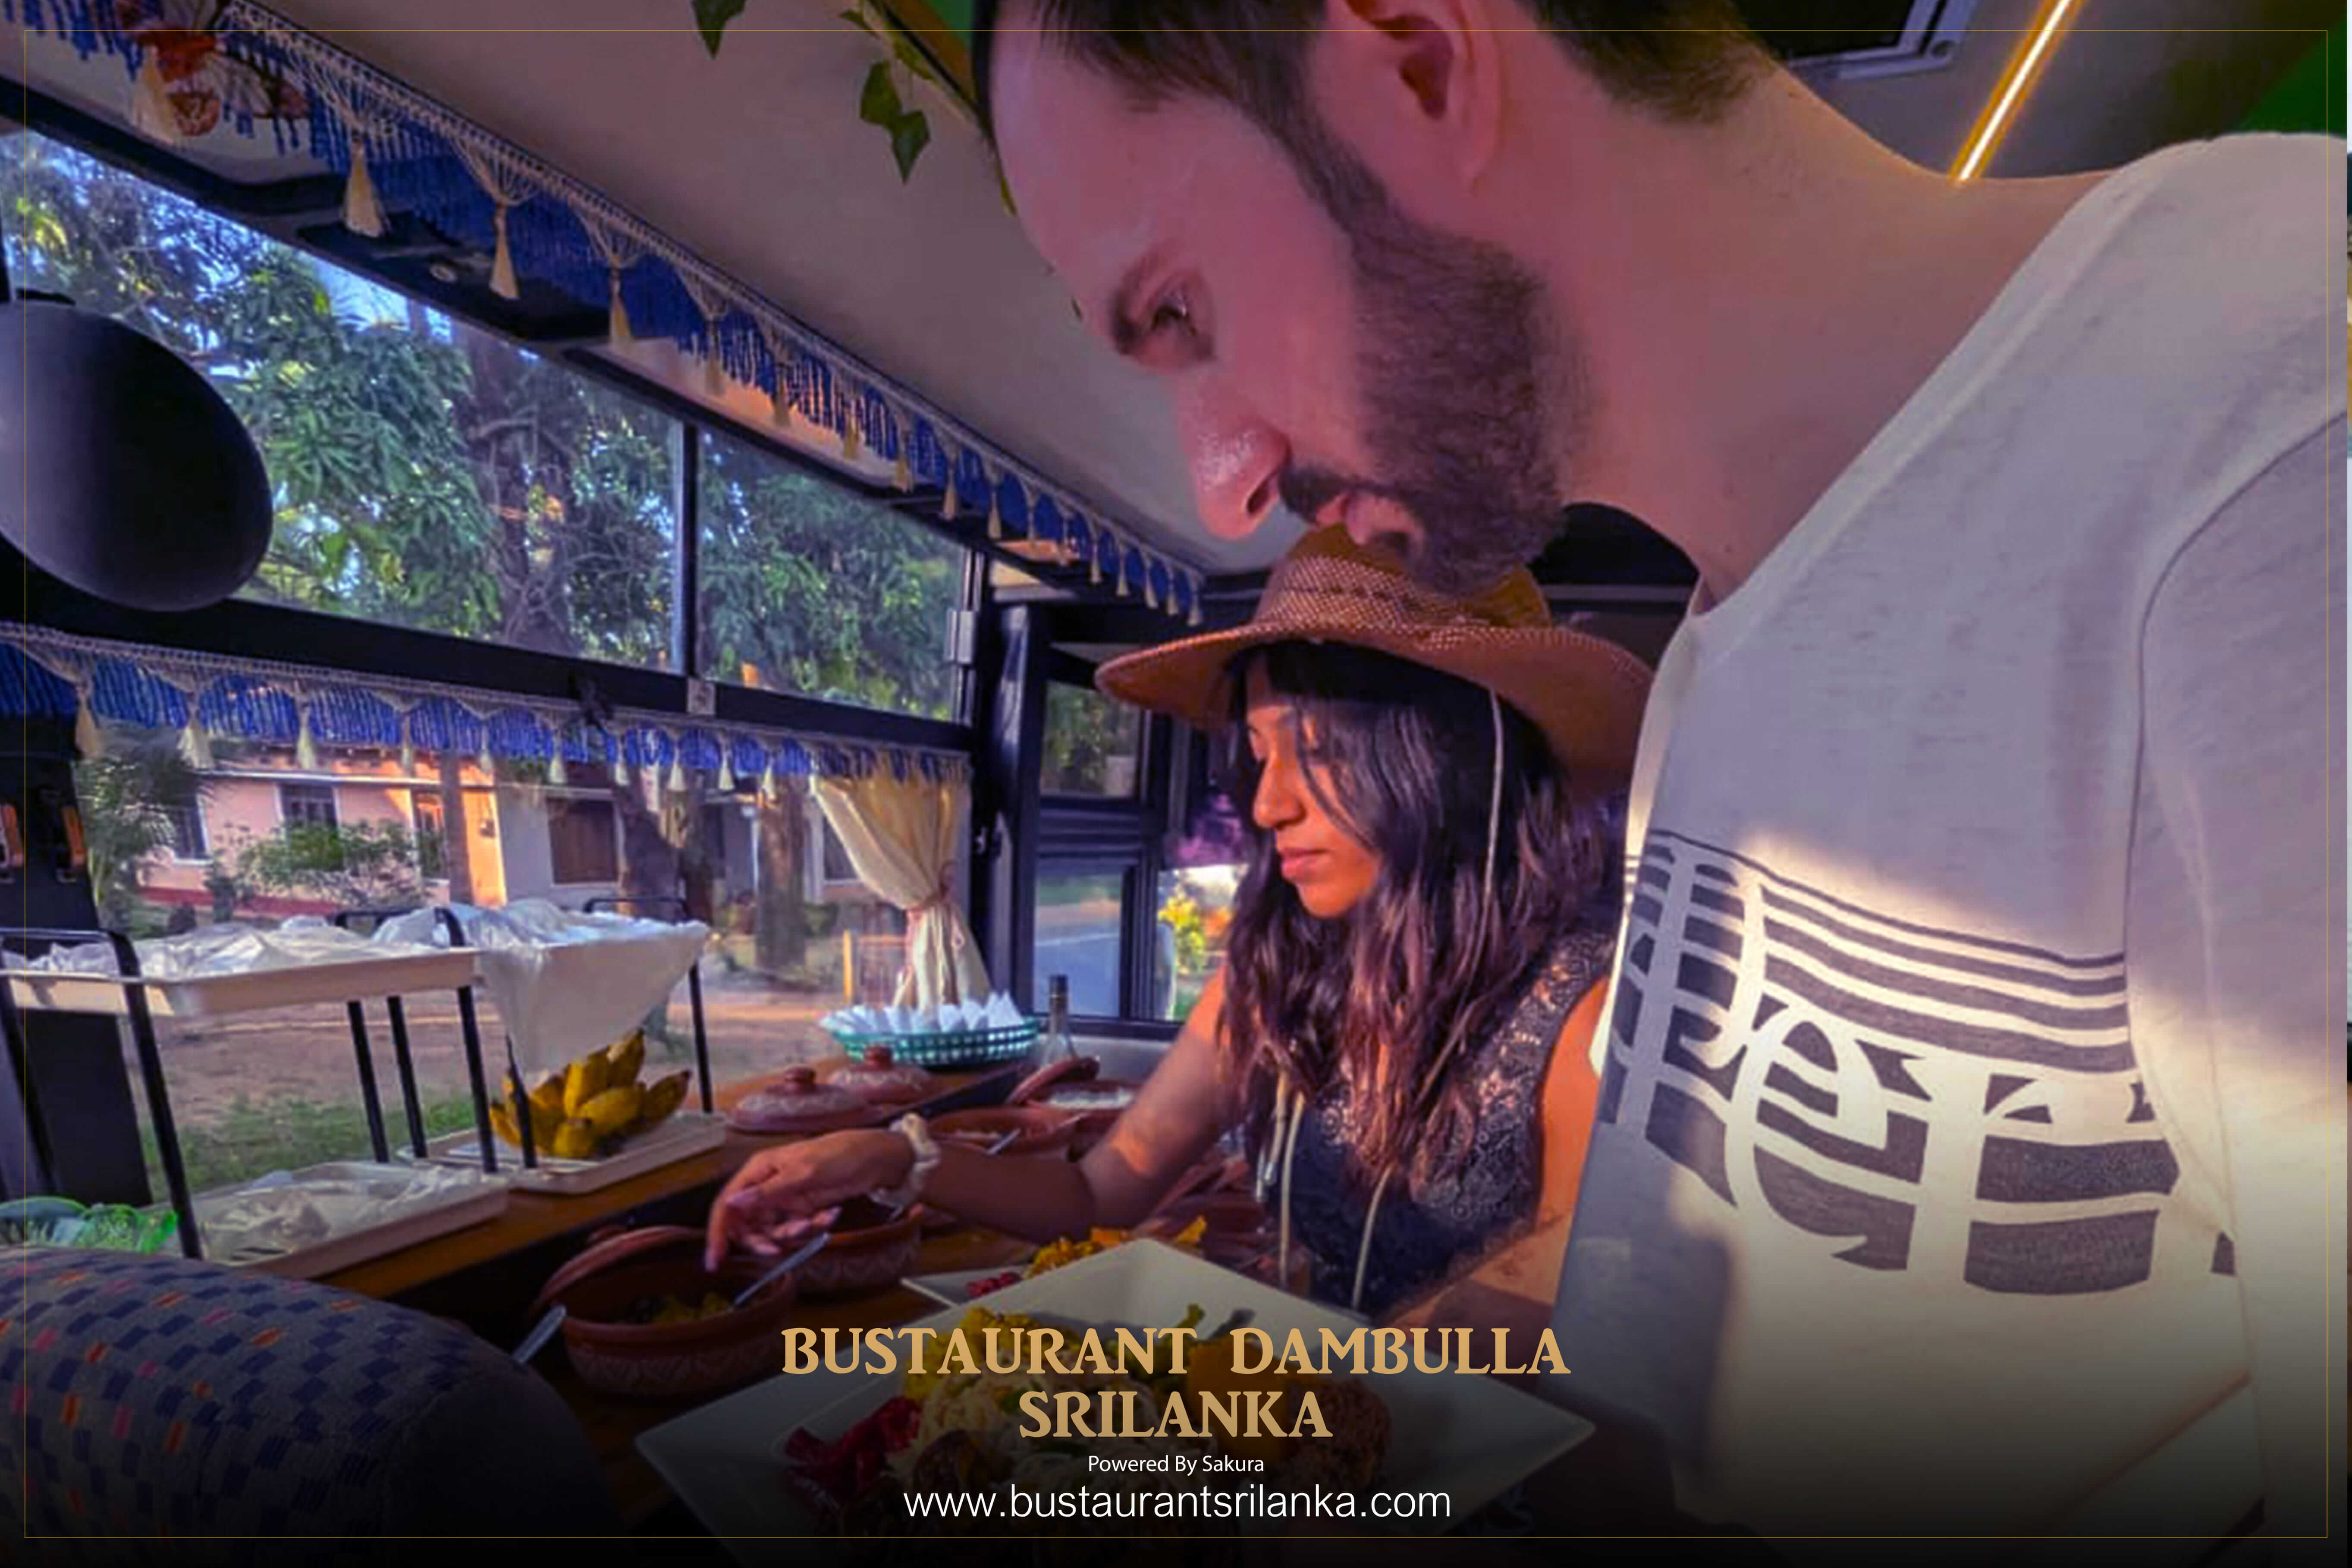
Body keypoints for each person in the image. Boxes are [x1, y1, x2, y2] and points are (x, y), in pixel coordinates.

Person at [967, 0, 2345, 1556]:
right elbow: (1667, 1319)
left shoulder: (2270, 424)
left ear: (1413, 58)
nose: (1222, 481)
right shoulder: (1719, 647)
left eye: (1177, 310)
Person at [707, 527, 1653, 1320]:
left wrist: (1320, 1392)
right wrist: (894, 1156)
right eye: (1259, 755)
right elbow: (1098, 1190)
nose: (1269, 805)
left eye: (1319, 749)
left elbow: (1578, 1289)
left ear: (1450, 759)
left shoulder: (1588, 1007)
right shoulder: (1277, 976)